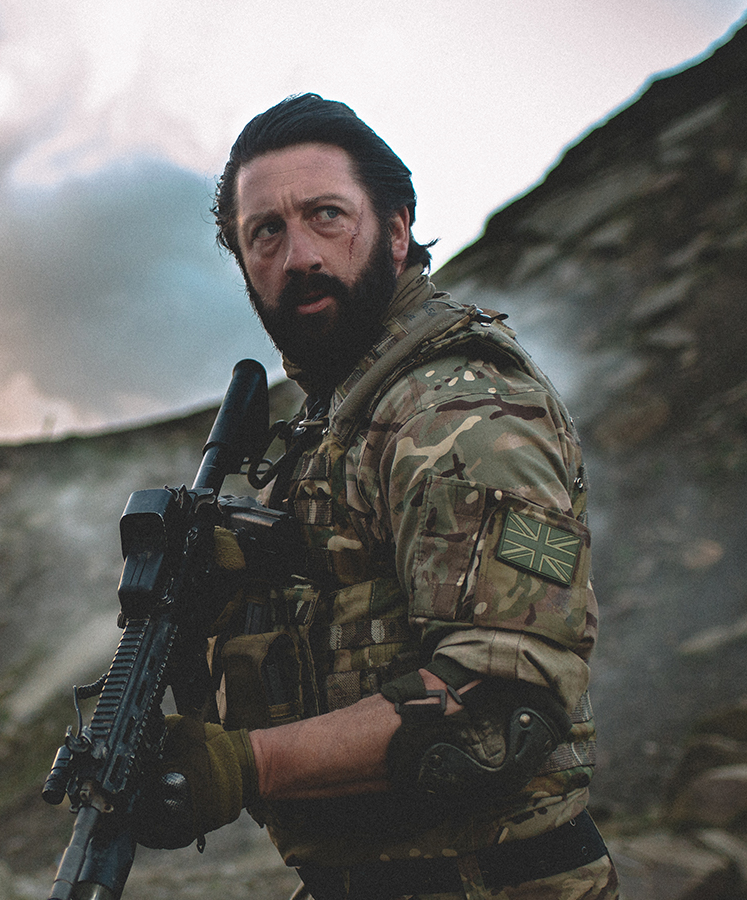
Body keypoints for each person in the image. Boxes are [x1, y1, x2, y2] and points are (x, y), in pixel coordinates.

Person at [133, 93, 617, 899]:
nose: (300, 256)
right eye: (267, 232)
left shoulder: (457, 408)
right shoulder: (343, 409)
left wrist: (241, 766)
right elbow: (358, 589)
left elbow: (506, 697)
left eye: (327, 216)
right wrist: (244, 569)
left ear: (396, 229)